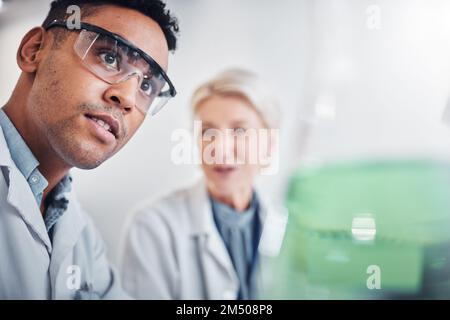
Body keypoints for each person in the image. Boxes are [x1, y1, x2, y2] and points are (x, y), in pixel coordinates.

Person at [0, 0, 178, 299]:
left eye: (147, 86)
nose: (128, 99)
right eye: (109, 57)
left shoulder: (83, 238)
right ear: (34, 51)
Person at [120, 69, 288, 300]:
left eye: (239, 130)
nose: (219, 148)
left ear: (269, 144)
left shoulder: (288, 223)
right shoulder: (153, 226)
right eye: (208, 131)